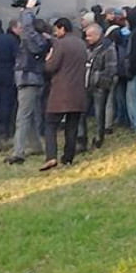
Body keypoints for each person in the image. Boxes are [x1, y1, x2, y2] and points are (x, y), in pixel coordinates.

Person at [40, 18, 88, 171]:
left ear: (62, 29)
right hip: (78, 92)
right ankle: (68, 157)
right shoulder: (81, 44)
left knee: (50, 124)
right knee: (72, 126)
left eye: (56, 29)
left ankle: (51, 156)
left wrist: (47, 60)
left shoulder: (60, 44)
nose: (55, 32)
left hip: (61, 93)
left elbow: (52, 66)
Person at [6, 0, 48, 164]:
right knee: (29, 115)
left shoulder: (36, 41)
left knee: (22, 117)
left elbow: (28, 31)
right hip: (31, 79)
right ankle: (36, 146)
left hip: (29, 79)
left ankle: (18, 152)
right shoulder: (40, 40)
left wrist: (27, 11)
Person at [83, 22, 117, 150]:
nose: (87, 38)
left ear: (98, 35)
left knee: (99, 114)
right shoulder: (87, 47)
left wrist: (100, 82)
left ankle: (98, 139)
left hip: (99, 87)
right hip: (86, 85)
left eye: (90, 36)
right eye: (87, 36)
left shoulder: (108, 48)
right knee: (82, 113)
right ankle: (82, 138)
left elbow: (111, 69)